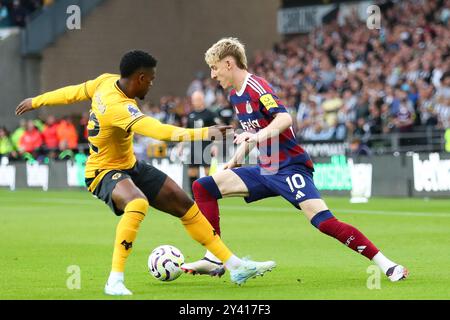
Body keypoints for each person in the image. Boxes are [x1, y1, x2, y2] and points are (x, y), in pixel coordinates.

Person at [15, 50, 276, 296]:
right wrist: (203, 133)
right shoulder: (120, 107)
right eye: (150, 80)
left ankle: (234, 266)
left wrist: (37, 101)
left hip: (130, 165)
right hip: (102, 172)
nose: (151, 85)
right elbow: (161, 132)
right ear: (139, 78)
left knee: (184, 203)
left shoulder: (105, 82)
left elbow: (73, 93)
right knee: (137, 203)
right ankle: (114, 280)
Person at [181, 38, 408, 282]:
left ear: (228, 63)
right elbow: (254, 133)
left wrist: (255, 135)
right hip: (267, 167)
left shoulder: (257, 87)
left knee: (324, 222)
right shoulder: (236, 97)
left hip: (289, 166)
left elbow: (284, 120)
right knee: (203, 187)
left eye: (214, 68)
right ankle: (214, 256)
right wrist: (235, 161)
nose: (213, 75)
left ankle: (387, 265)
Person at [178, 90, 219, 196]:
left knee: (207, 174)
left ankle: (208, 196)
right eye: (193, 100)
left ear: (202, 100)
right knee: (192, 172)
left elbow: (217, 130)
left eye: (197, 99)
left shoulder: (210, 114)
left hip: (206, 146)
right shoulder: (190, 115)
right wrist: (181, 145)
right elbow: (186, 131)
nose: (195, 102)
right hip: (193, 147)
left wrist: (215, 145)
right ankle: (194, 198)